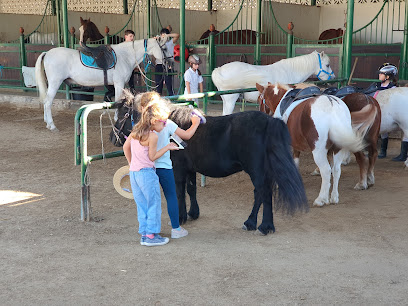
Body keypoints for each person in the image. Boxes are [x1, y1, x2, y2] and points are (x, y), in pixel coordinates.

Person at [137, 92, 202, 239]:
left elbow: (128, 145)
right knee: (171, 196)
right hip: (164, 166)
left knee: (148, 200)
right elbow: (186, 135)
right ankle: (176, 228)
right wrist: (196, 123)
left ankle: (147, 230)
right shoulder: (166, 122)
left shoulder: (140, 127)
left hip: (145, 166)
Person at [123, 96, 180, 246]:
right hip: (147, 173)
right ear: (155, 121)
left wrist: (131, 164)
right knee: (153, 204)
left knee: (142, 204)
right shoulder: (153, 136)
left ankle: (144, 233)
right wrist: (168, 147)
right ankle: (151, 236)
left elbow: (126, 147)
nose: (165, 125)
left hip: (134, 173)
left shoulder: (136, 131)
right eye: (164, 122)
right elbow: (152, 156)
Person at [373, 63, 407, 161]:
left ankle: (403, 154)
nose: (379, 75)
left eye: (381, 74)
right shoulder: (376, 86)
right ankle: (383, 151)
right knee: (383, 132)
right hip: (380, 110)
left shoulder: (393, 89)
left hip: (390, 112)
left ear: (387, 77)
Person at [155, 28, 179, 96]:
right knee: (158, 85)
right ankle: (158, 100)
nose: (164, 37)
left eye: (165, 35)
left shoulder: (170, 42)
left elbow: (177, 35)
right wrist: (158, 37)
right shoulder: (158, 43)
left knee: (169, 84)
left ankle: (172, 99)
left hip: (168, 65)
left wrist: (167, 35)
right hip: (159, 65)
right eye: (162, 35)